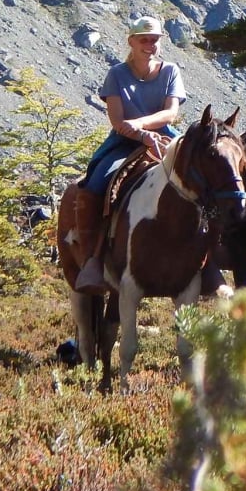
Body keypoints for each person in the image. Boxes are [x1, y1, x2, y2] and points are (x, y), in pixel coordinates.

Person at [72, 15, 187, 294]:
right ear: (132, 42)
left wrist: (145, 127)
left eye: (154, 40)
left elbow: (171, 113)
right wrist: (140, 134)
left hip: (164, 136)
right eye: (144, 39)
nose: (150, 44)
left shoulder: (170, 70)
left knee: (199, 176)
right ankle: (93, 260)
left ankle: (206, 262)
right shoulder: (117, 74)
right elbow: (118, 121)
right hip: (124, 142)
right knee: (96, 184)